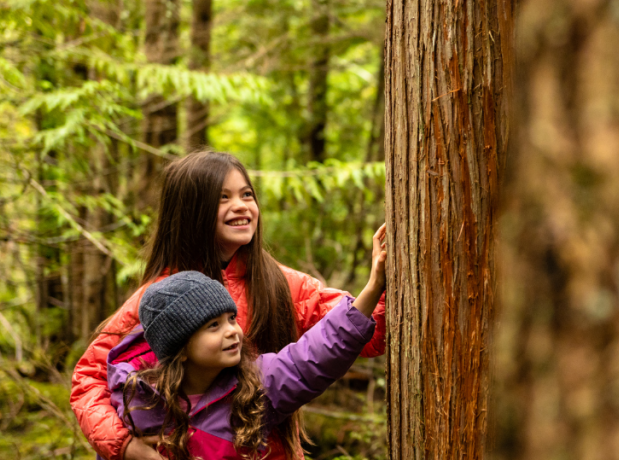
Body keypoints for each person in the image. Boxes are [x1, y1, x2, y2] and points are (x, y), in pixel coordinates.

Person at [71, 151, 387, 460]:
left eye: (246, 194)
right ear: (192, 211)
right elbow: (89, 378)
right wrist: (125, 446)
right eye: (223, 198)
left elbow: (366, 332)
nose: (241, 206)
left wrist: (384, 276)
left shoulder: (283, 284)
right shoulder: (159, 300)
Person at [107, 270, 379, 460]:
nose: (232, 332)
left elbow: (317, 353)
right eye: (214, 326)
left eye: (231, 319)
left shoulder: (258, 385)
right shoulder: (140, 402)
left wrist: (374, 287)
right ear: (181, 348)